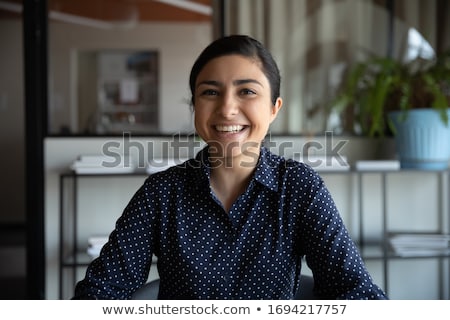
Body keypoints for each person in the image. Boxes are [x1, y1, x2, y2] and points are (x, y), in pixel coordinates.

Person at [73, 35, 388, 300]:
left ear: (274, 108)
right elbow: (100, 293)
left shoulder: (299, 188)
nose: (226, 108)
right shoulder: (161, 193)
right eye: (210, 92)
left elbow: (356, 293)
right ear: (195, 107)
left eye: (247, 91)